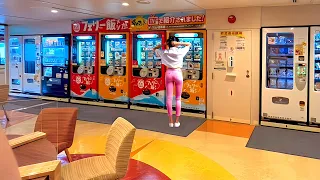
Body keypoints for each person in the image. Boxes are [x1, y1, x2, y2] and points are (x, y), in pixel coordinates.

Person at [153, 36, 191, 127]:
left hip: (169, 73)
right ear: (176, 43)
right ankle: (177, 121)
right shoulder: (180, 51)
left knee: (169, 98)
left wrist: (165, 44)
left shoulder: (164, 52)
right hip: (178, 73)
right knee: (178, 98)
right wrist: (178, 44)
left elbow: (154, 48)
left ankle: (170, 121)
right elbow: (189, 44)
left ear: (168, 44)